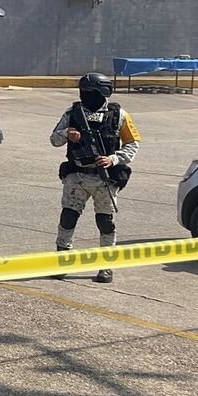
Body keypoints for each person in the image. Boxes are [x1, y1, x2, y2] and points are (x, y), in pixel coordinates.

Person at [50, 72, 141, 283]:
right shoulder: (72, 112)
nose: (85, 96)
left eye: (89, 92)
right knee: (68, 217)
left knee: (105, 221)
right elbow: (54, 139)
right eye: (83, 92)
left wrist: (113, 159)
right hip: (77, 175)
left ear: (101, 93)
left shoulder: (119, 115)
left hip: (105, 178)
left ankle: (106, 265)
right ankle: (62, 261)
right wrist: (67, 134)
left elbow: (133, 144)